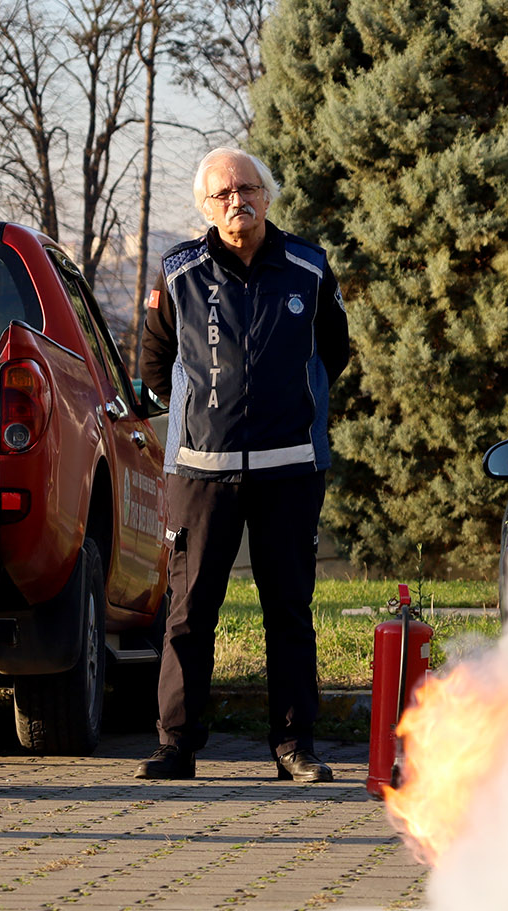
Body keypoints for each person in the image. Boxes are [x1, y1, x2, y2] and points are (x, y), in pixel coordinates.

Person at [135, 147, 350, 784]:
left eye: (248, 189)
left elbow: (333, 351)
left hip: (290, 467)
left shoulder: (309, 267)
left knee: (288, 607)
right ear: (206, 206)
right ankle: (176, 746)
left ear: (267, 195)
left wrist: (289, 403)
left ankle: (293, 746)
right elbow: (153, 365)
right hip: (200, 470)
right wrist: (201, 410)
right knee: (190, 609)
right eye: (224, 193)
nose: (238, 201)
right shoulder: (179, 273)